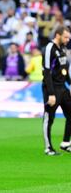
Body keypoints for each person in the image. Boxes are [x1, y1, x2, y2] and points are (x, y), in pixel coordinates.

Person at [42, 26, 71, 156]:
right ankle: (48, 148)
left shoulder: (63, 49)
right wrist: (51, 93)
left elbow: (64, 70)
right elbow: (47, 72)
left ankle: (65, 143)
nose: (67, 40)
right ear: (58, 35)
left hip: (63, 88)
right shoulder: (50, 48)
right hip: (52, 87)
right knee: (49, 118)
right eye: (65, 37)